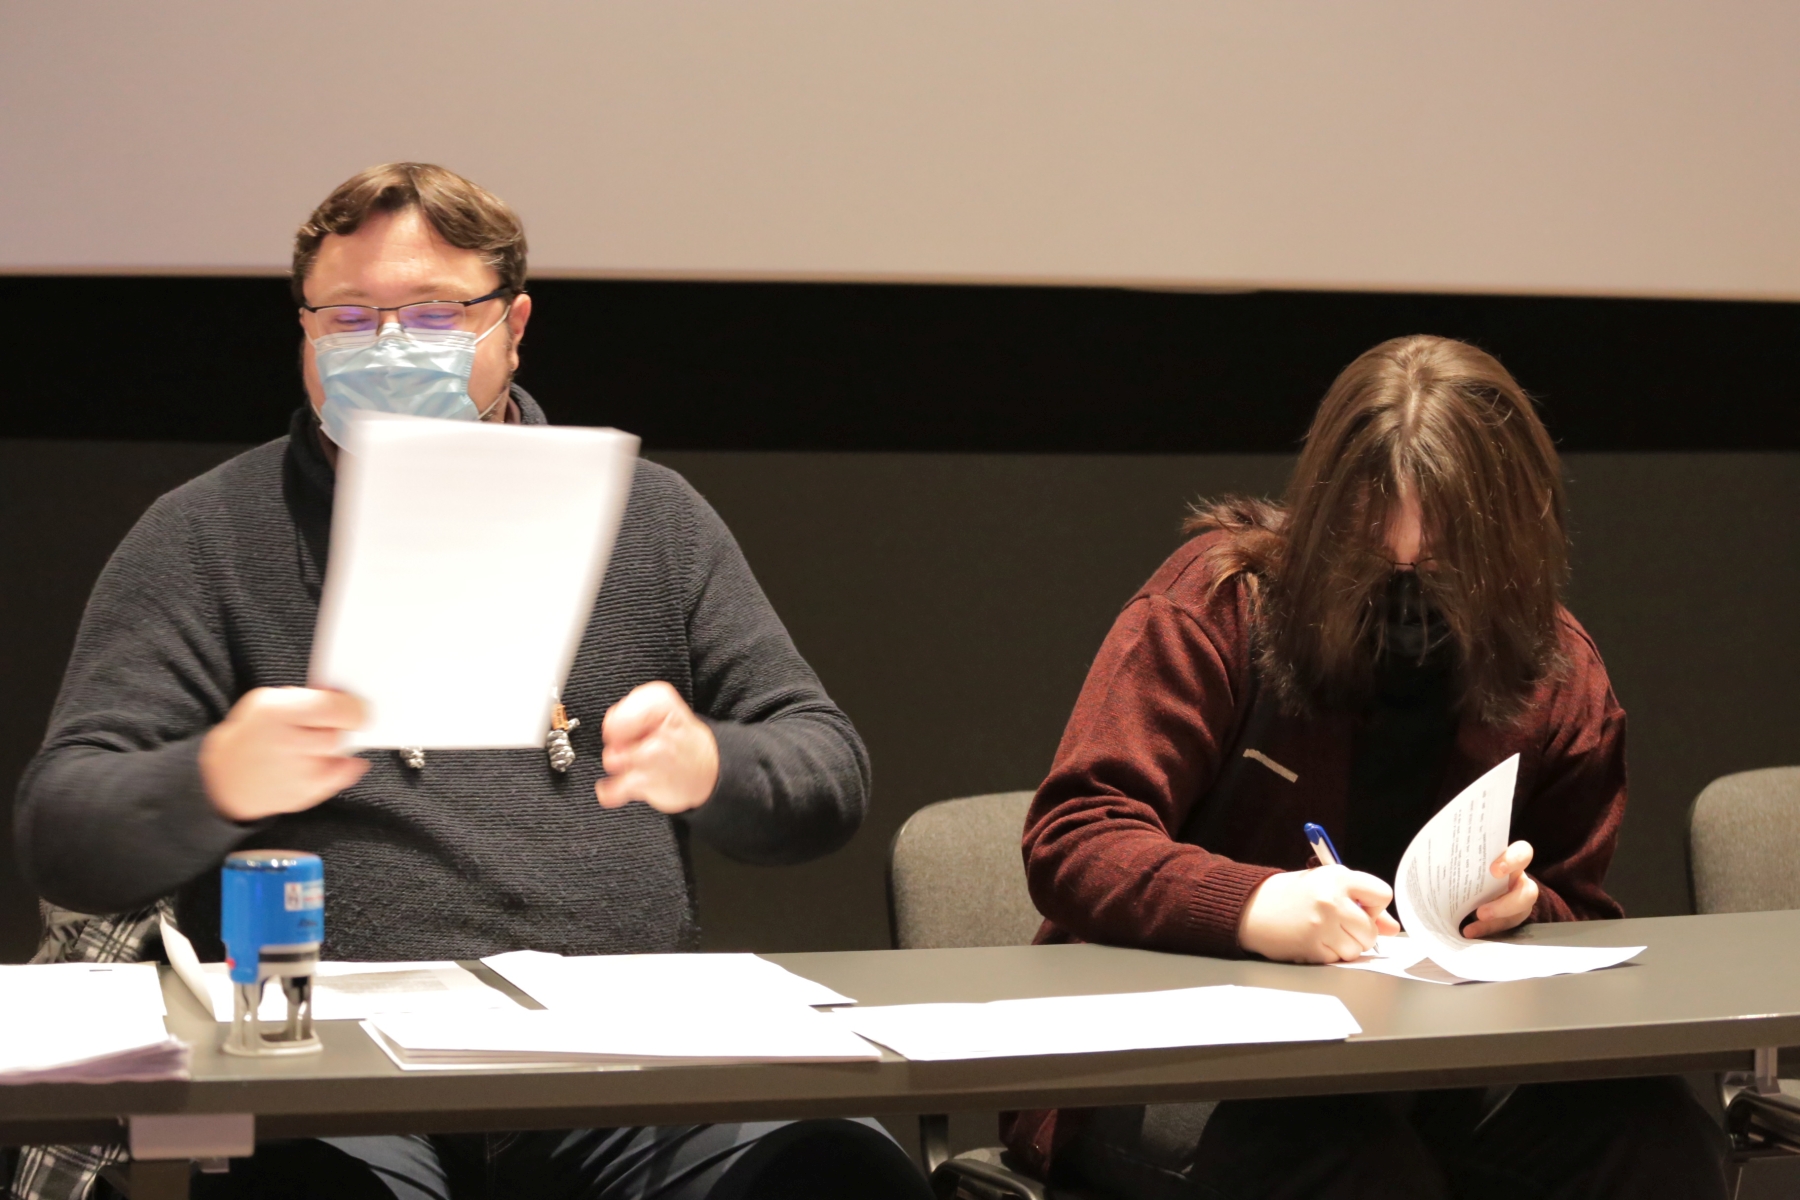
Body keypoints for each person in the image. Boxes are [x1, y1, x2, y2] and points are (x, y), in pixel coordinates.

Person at [13, 163, 929, 1200]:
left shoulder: (651, 520)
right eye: (348, 316)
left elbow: (827, 773)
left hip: (624, 1064)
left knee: (834, 1169)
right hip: (332, 1074)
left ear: (513, 324)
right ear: (303, 331)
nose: (387, 345)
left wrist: (714, 763)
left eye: (433, 314)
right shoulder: (206, 533)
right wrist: (213, 777)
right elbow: (62, 827)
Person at [1004, 335, 1730, 1199]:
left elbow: (1581, 910)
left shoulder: (1555, 668)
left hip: (1422, 1063)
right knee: (1349, 1164)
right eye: (1374, 557)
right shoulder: (1219, 604)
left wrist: (1524, 908)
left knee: (1655, 1138)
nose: (1408, 592)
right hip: (1172, 1052)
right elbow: (1075, 836)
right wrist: (1254, 905)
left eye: (1447, 564)